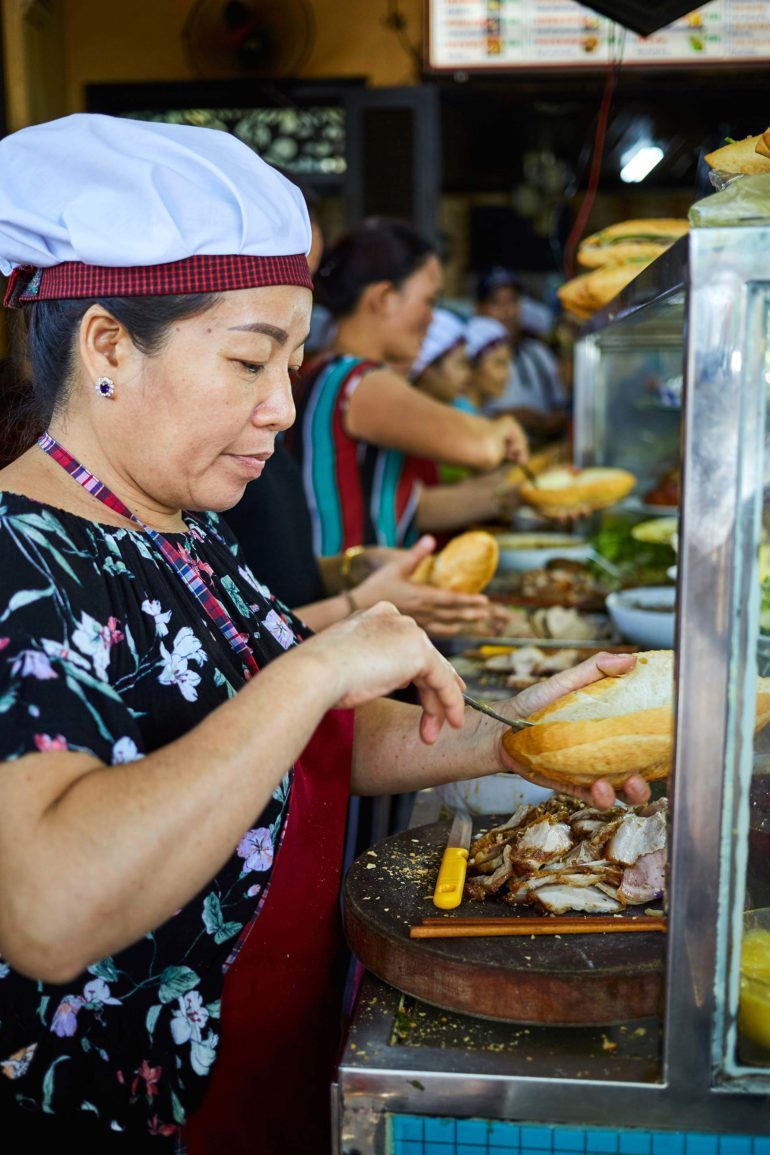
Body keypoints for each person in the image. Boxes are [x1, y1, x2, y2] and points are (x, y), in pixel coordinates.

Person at [0, 113, 649, 1155]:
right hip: (132, 1116)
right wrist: (316, 668)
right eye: (249, 363)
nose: (281, 412)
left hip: (271, 1067)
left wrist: (518, 733)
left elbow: (295, 748)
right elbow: (47, 909)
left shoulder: (171, 528)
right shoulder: (21, 560)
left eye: (286, 369)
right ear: (109, 345)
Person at [289, 219, 530, 557]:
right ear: (385, 298)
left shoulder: (323, 370)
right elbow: (483, 446)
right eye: (429, 301)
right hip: (351, 594)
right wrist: (503, 428)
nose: (433, 319)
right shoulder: (354, 380)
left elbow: (407, 506)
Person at [475, 266, 568, 437]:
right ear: (479, 309)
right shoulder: (469, 355)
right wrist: (511, 417)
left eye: (513, 301)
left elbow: (561, 409)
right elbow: (462, 411)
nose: (507, 311)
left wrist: (544, 423)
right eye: (496, 302)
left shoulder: (538, 353)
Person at [463, 315, 512, 412]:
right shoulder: (461, 415)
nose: (507, 374)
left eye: (507, 364)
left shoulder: (476, 413)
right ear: (472, 366)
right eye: (499, 364)